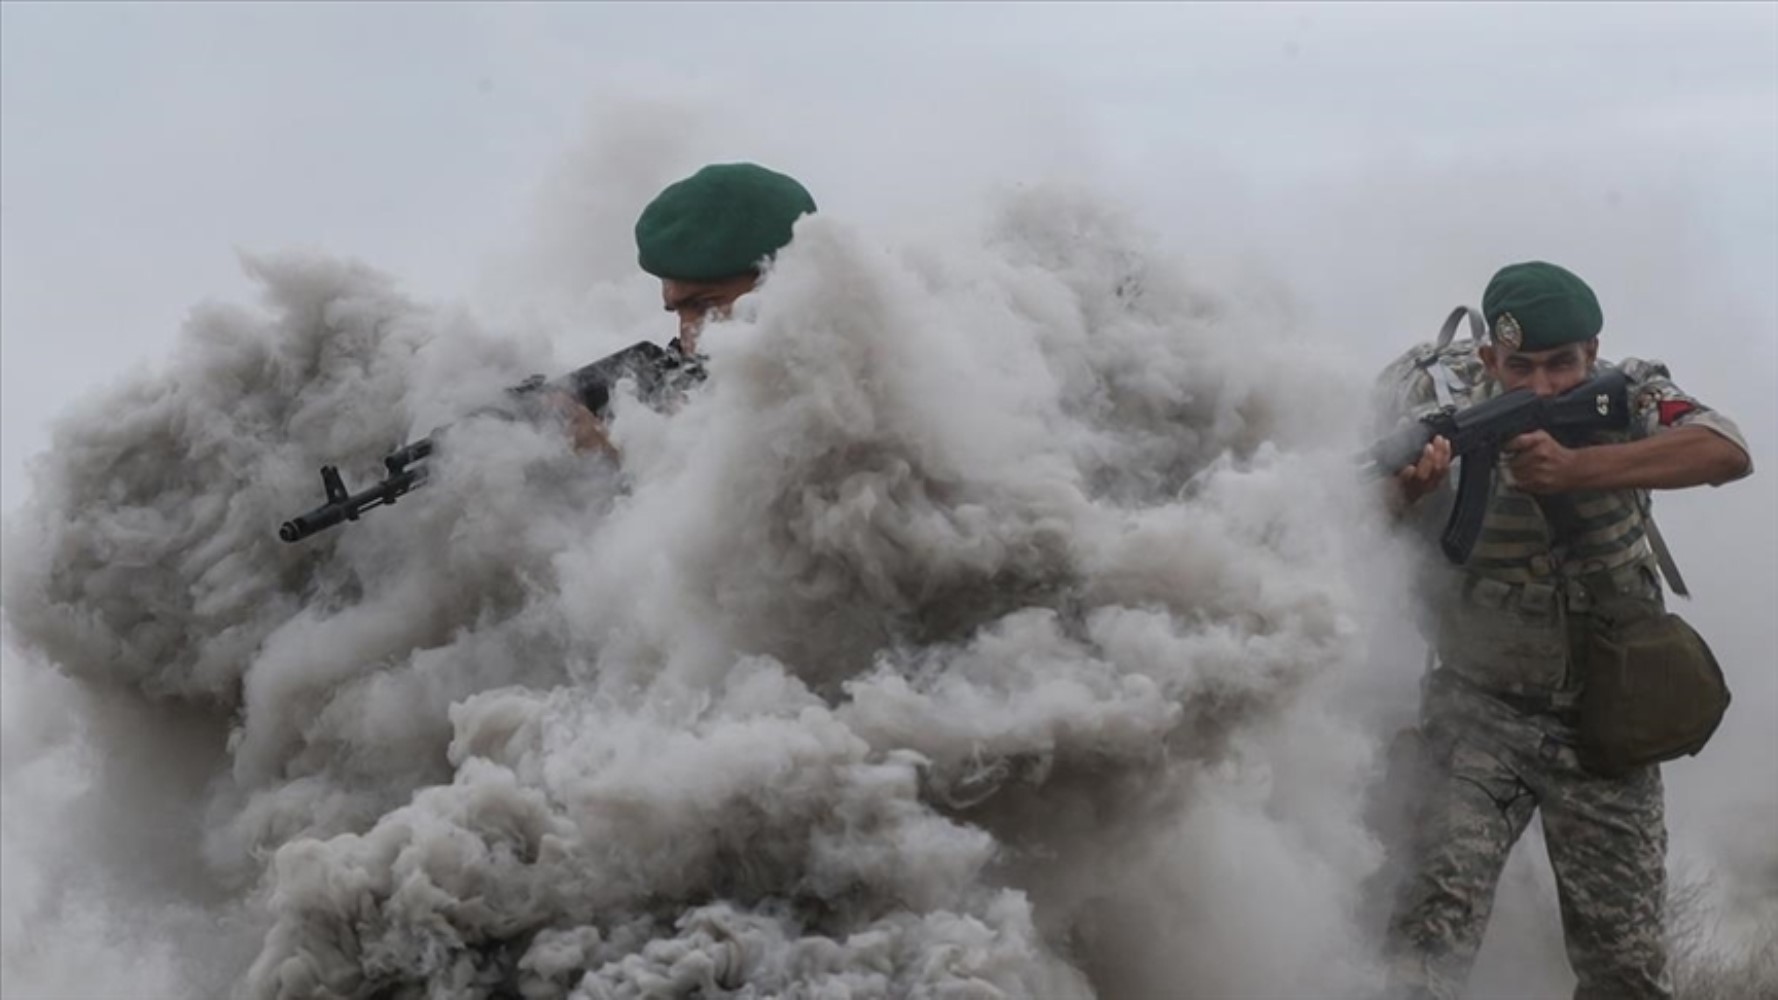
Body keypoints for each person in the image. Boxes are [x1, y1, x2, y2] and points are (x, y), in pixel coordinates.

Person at [1382, 261, 1753, 1000]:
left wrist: (1581, 469)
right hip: (1477, 715)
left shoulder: (1633, 390)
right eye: (1521, 368)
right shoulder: (1429, 397)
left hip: (1606, 726)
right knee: (1421, 954)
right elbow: (1346, 521)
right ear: (1490, 359)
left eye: (1563, 365)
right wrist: (1404, 495)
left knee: (1625, 974)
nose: (1544, 387)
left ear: (1592, 351)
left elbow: (1726, 450)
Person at [556, 161, 818, 452]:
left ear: (785, 284)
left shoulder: (854, 390)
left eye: (706, 305)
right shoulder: (672, 381)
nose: (688, 337)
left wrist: (613, 468)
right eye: (679, 311)